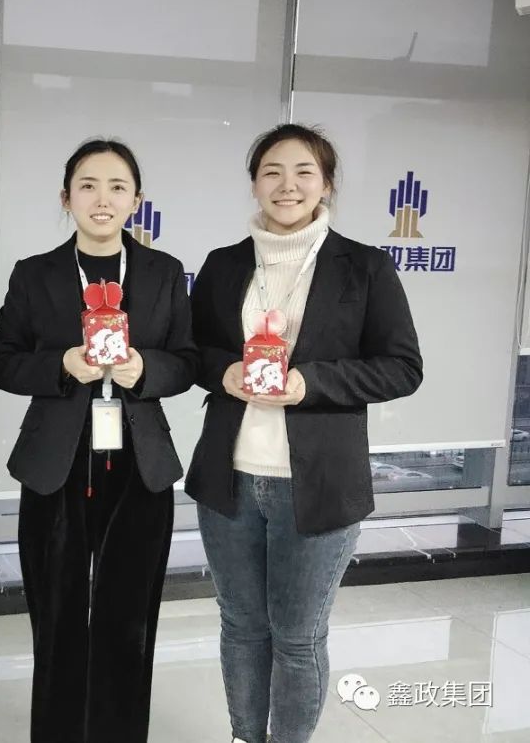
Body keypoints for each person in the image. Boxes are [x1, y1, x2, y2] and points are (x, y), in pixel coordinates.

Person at [185, 123, 423, 743]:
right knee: (241, 626)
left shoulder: (364, 267)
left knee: (297, 636)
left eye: (303, 173)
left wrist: (309, 383)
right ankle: (246, 736)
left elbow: (402, 367)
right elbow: (192, 352)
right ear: (254, 183)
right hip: (230, 479)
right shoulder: (223, 264)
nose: (286, 185)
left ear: (327, 184)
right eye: (272, 172)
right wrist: (223, 370)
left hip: (318, 484)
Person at [0, 138, 199, 743]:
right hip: (56, 462)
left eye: (116, 187)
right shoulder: (35, 274)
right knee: (56, 618)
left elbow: (188, 361)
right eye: (87, 185)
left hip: (140, 463)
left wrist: (145, 370)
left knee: (128, 620)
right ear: (66, 198)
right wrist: (60, 364)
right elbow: (2, 360)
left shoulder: (163, 272)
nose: (102, 199)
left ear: (136, 200)